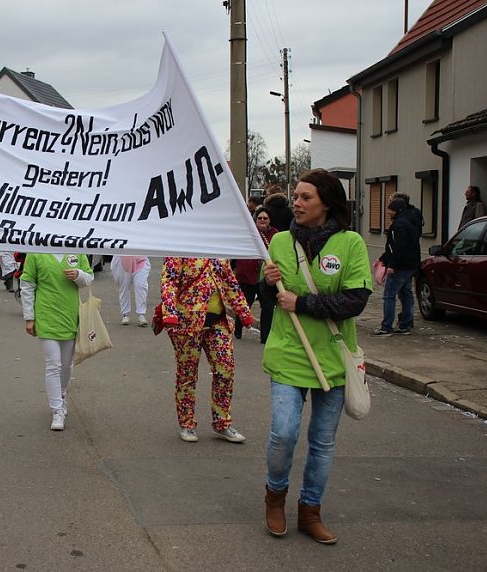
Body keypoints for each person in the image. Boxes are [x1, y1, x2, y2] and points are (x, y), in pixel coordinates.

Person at [260, 168, 371, 544]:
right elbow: (269, 300)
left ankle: (311, 511)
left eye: (306, 197)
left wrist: (302, 301)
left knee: (322, 441)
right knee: (284, 433)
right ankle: (274, 497)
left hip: (333, 359)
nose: (297, 202)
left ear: (327, 202)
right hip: (288, 353)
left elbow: (354, 300)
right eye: (296, 196)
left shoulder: (351, 243)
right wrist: (267, 280)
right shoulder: (277, 243)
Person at [158, 257, 254, 443]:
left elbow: (229, 282)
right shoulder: (180, 245)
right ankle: (187, 424)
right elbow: (169, 280)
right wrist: (169, 312)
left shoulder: (218, 248)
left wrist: (244, 312)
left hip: (218, 321)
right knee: (187, 374)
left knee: (225, 369)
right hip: (186, 322)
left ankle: (222, 423)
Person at [20, 252, 93, 431]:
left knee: (67, 364)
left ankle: (60, 396)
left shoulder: (76, 249)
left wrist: (78, 275)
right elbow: (27, 285)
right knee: (53, 364)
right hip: (45, 314)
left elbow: (89, 278)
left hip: (70, 316)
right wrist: (29, 317)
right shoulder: (36, 253)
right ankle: (57, 411)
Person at [373, 196, 422, 336]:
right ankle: (405, 324)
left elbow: (398, 247)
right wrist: (384, 258)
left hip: (400, 266)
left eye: (390, 209)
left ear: (397, 210)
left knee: (389, 295)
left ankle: (386, 326)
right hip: (410, 265)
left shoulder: (399, 225)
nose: (388, 212)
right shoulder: (410, 222)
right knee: (406, 294)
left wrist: (392, 264)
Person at [252, 206, 280, 343]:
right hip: (248, 276)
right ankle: (238, 327)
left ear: (269, 220)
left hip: (265, 278)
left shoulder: (276, 235)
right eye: (260, 218)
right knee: (245, 303)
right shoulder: (250, 233)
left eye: (265, 218)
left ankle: (265, 336)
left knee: (267, 308)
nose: (262, 220)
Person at [111, 255, 150, 326]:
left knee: (141, 285)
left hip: (141, 259)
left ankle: (141, 314)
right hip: (122, 259)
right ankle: (125, 314)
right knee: (124, 287)